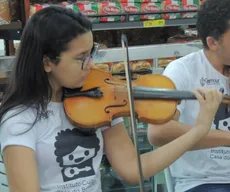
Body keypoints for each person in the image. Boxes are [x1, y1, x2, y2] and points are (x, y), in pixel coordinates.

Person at [0, 5, 222, 192]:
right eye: (80, 58)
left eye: (91, 53)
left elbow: (133, 170)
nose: (92, 65)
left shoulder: (101, 101)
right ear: (47, 62)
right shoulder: (20, 121)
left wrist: (197, 132)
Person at [148, 0, 230, 192]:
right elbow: (158, 132)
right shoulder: (183, 70)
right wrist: (226, 138)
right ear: (213, 42)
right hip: (204, 180)